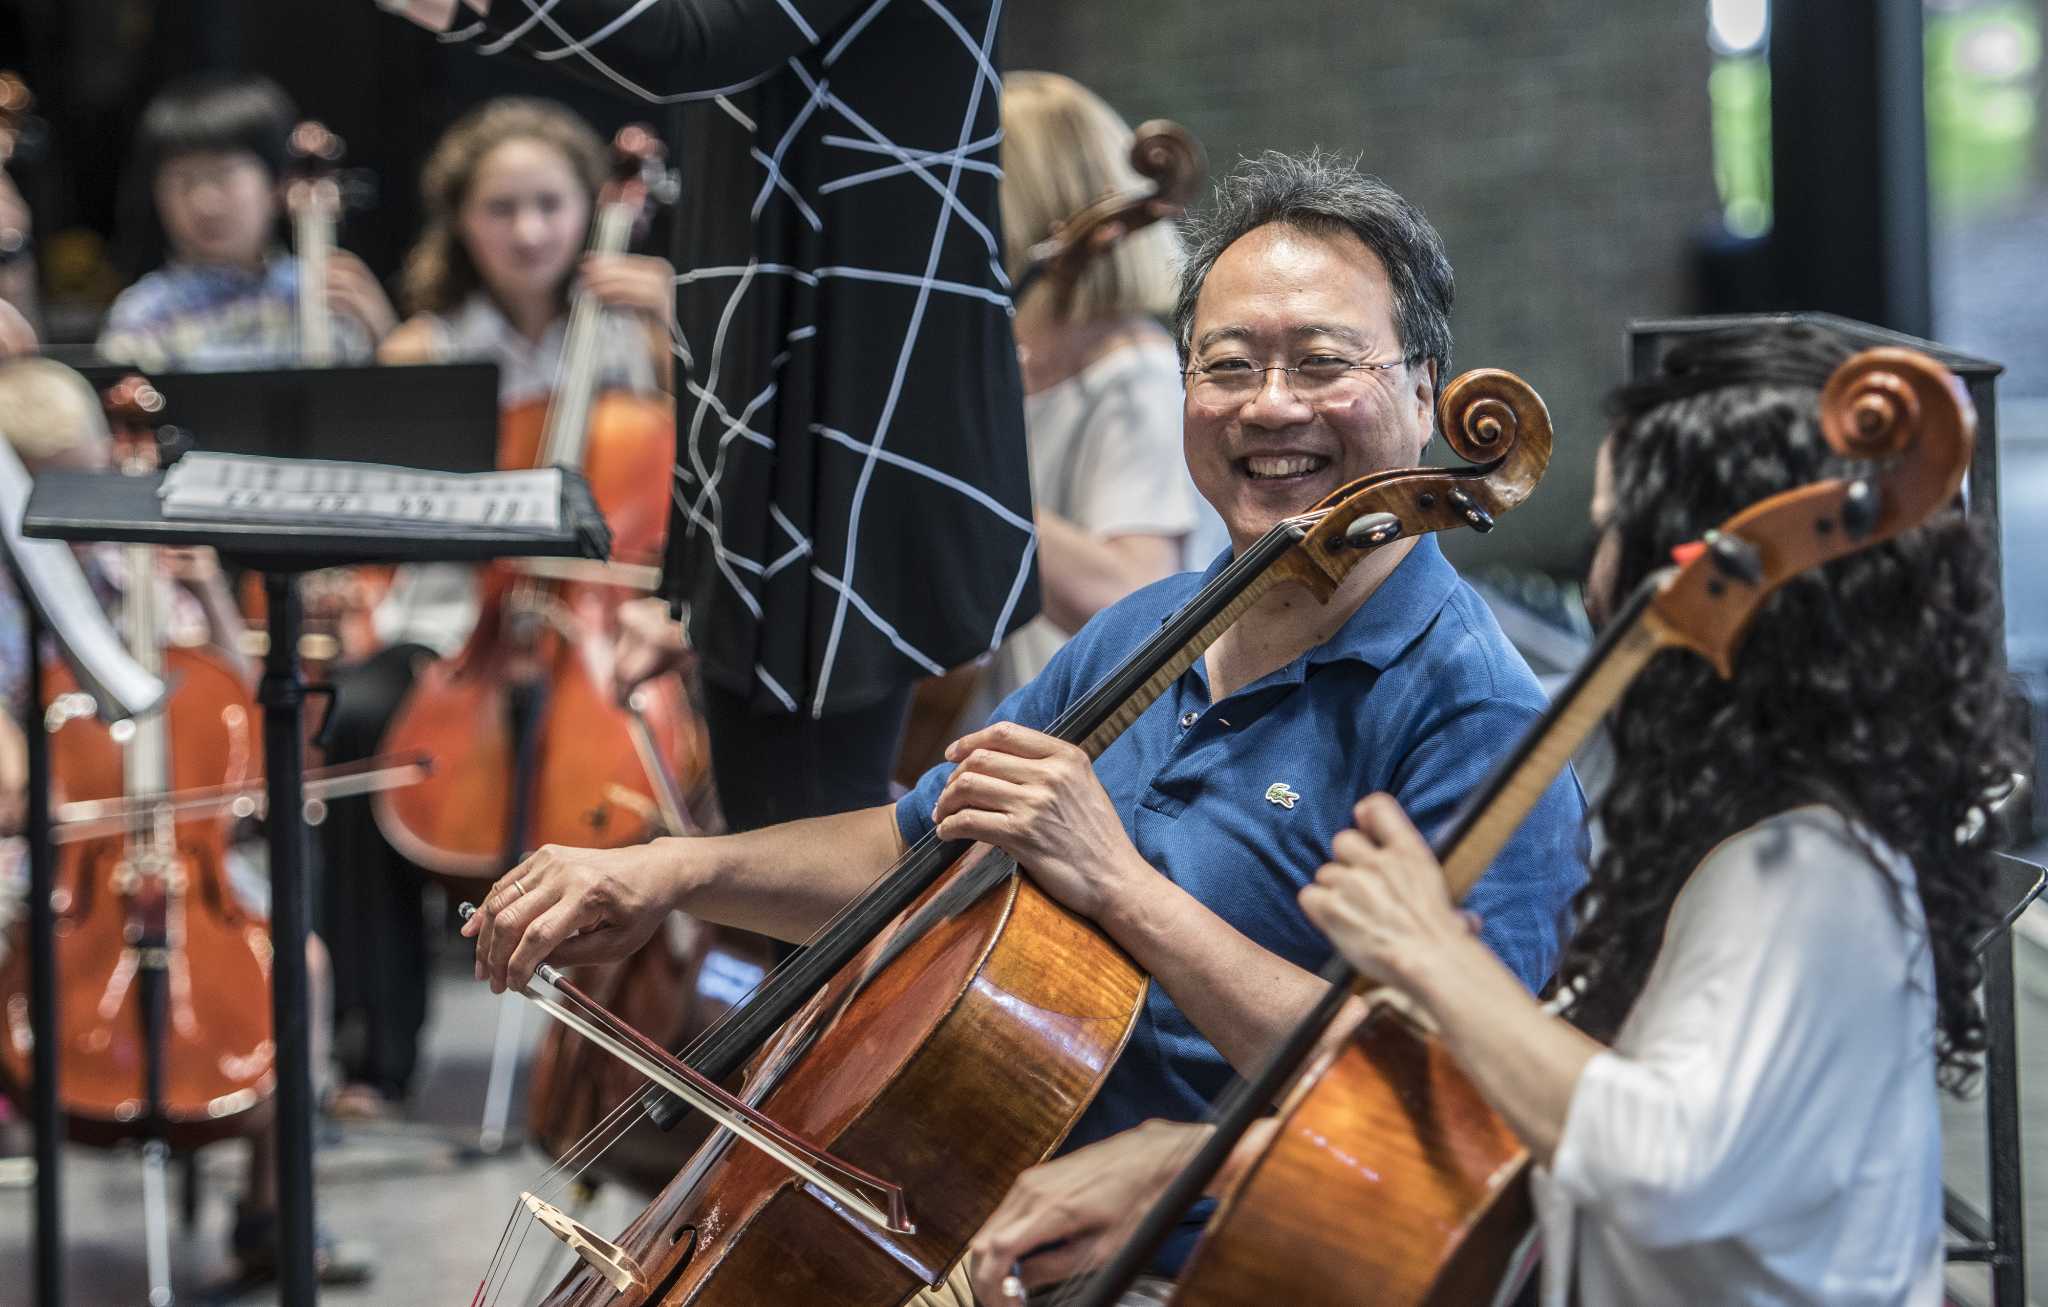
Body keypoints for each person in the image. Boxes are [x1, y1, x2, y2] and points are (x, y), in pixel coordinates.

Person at [464, 151, 1589, 1304]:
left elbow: (1453, 1096)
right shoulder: (1150, 627)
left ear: (1423, 389)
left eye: (1321, 362)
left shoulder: (1478, 716)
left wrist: (1118, 884)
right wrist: (671, 871)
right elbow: (918, 847)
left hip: (1212, 1269)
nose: (1268, 406)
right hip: (987, 1222)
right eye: (1226, 364)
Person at [966, 322, 2022, 1307]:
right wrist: (1198, 1161)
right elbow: (1528, 1125)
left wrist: (1435, 954)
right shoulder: (1752, 845)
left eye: (1614, 533)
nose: (1600, 582)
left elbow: (1659, 1168)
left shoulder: (1806, 870)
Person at [380, 0, 1038, 834]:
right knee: (770, 828)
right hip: (764, 393)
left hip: (849, 383)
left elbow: (696, 43)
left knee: (808, 836)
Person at [313, 96, 676, 1120]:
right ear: (461, 221)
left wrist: (675, 323)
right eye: (501, 208)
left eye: (549, 205)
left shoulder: (639, 344)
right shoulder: (427, 348)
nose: (528, 230)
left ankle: (628, 1055)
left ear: (587, 209)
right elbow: (379, 516)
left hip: (602, 626)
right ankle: (375, 1051)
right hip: (451, 624)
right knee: (355, 724)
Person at [0, 356, 370, 1287]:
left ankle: (274, 1210)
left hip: (185, 851)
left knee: (299, 964)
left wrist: (206, 592)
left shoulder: (149, 571)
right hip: (51, 858)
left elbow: (246, 712)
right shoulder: (14, 594)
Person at [947, 70, 1198, 731]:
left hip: (1099, 747)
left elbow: (1134, 603)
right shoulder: (1016, 375)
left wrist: (956, 467)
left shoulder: (1135, 377)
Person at [97, 73, 395, 370]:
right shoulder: (145, 314)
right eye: (184, 180)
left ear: (277, 184)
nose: (205, 202)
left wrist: (384, 337)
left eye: (224, 175)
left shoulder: (322, 294)